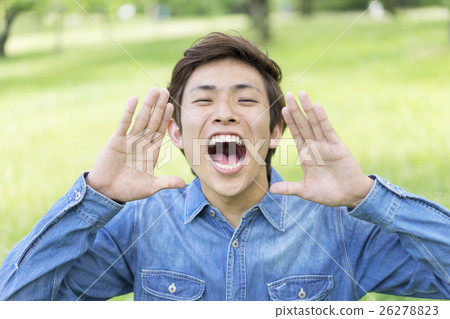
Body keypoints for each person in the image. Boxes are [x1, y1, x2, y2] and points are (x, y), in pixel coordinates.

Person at [0, 32, 449, 301]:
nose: (225, 112)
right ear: (176, 133)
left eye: (247, 99)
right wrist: (95, 198)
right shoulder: (142, 223)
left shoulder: (340, 230)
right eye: (203, 99)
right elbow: (15, 299)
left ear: (275, 132)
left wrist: (369, 199)